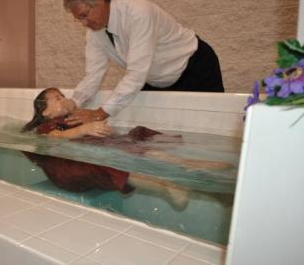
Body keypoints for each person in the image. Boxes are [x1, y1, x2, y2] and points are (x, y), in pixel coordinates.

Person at [21, 88, 230, 210]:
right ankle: (165, 186)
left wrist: (96, 129)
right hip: (68, 170)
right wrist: (84, 129)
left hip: (87, 154)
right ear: (45, 111)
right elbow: (54, 139)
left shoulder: (72, 119)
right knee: (103, 161)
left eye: (62, 95)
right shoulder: (47, 126)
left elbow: (85, 132)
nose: (63, 99)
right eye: (57, 98)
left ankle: (187, 165)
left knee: (135, 139)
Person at [60, 0, 224, 125]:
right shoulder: (94, 33)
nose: (83, 23)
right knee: (146, 136)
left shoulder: (138, 12)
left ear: (99, 0)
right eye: (78, 19)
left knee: (211, 126)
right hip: (155, 79)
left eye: (84, 15)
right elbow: (93, 76)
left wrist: (99, 114)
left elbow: (136, 73)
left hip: (195, 67)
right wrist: (73, 102)